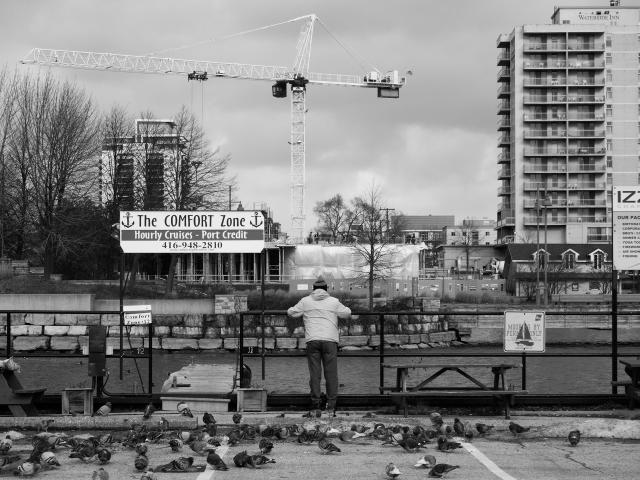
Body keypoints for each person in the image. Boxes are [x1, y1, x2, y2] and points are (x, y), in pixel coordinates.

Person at [287, 276, 351, 417]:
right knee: (331, 374)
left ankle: (316, 405)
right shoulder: (334, 302)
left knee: (315, 374)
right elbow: (347, 313)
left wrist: (304, 312)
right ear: (326, 290)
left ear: (313, 290)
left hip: (313, 340)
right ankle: (331, 406)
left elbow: (290, 312)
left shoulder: (305, 301)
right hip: (330, 341)